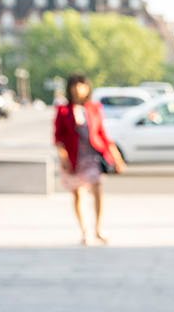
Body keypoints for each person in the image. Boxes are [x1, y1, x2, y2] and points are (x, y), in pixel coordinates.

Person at [52, 73, 125, 245]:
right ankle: (85, 230)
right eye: (75, 85)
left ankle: (98, 228)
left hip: (92, 155)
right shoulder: (63, 111)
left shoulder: (94, 108)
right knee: (78, 193)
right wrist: (63, 157)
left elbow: (102, 134)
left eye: (82, 85)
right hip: (73, 157)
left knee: (97, 188)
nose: (78, 89)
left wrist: (116, 157)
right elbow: (58, 137)